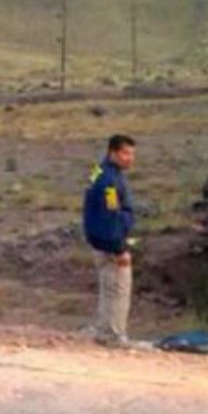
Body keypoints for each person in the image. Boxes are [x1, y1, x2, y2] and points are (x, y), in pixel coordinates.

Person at [81, 134, 138, 346]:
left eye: (132, 154)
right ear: (113, 152)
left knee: (107, 289)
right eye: (125, 153)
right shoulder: (110, 182)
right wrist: (119, 248)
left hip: (97, 239)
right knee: (117, 290)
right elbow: (111, 215)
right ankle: (114, 335)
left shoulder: (99, 171)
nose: (130, 158)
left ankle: (104, 331)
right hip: (109, 243)